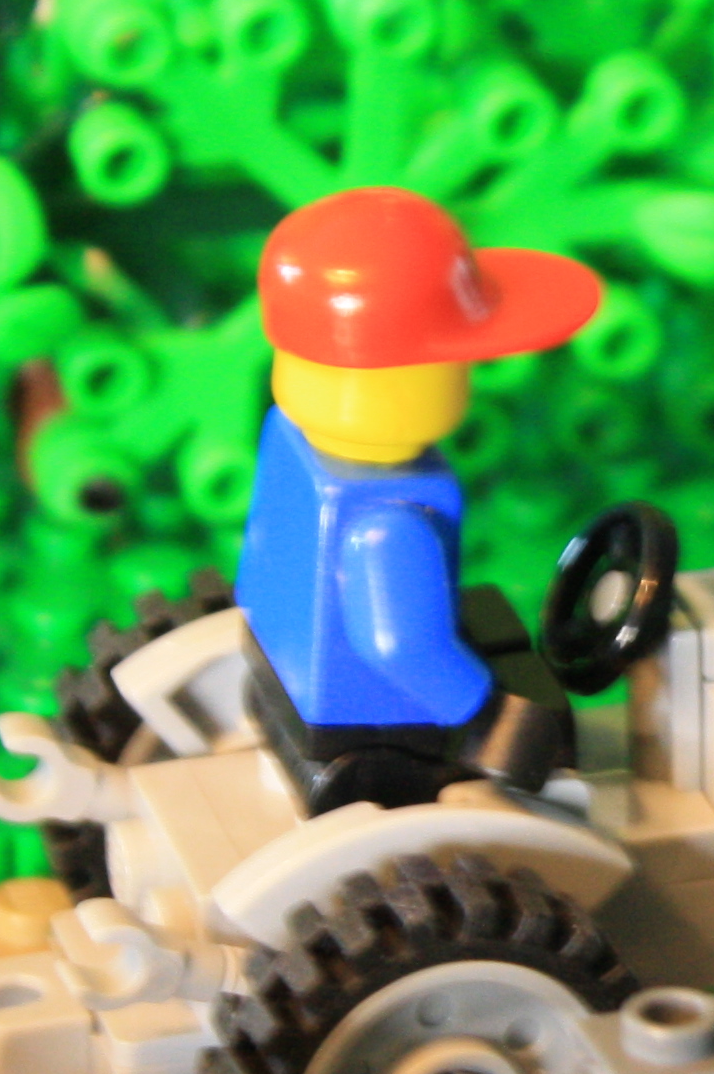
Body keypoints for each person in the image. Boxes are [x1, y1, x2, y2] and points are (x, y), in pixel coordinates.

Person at [235, 188, 602, 745]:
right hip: (373, 734)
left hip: (271, 674)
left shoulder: (289, 446)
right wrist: (492, 721)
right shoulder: (388, 517)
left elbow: (258, 565)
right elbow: (402, 647)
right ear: (409, 378)